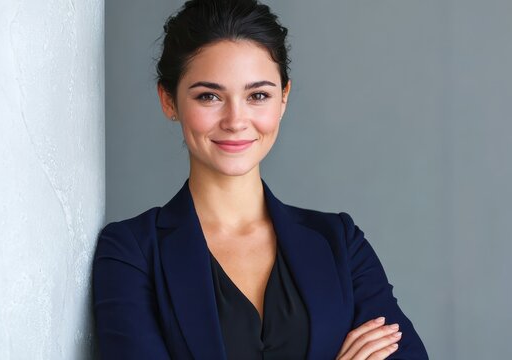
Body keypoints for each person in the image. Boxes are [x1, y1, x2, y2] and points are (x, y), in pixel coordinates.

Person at [92, 0, 429, 359]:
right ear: (169, 100)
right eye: (209, 96)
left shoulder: (339, 244)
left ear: (283, 98)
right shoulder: (131, 252)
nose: (236, 120)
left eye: (258, 96)